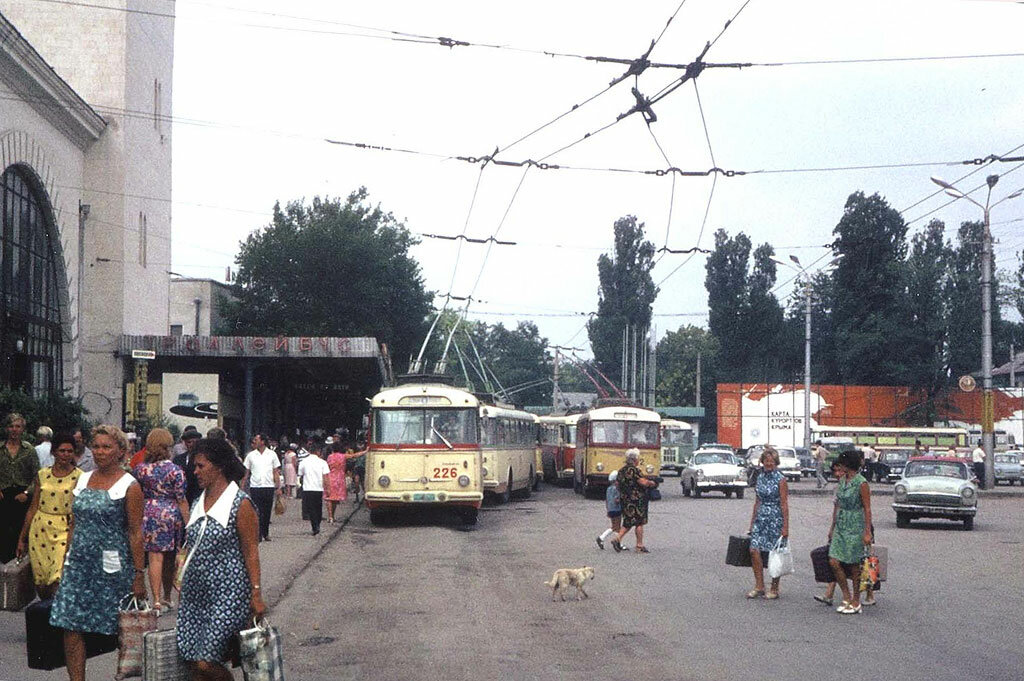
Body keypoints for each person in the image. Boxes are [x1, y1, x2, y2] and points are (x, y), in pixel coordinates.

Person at [50, 424, 146, 681]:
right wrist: (66, 559)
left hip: (113, 567)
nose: (100, 452)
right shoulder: (82, 479)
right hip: (80, 564)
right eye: (96, 446)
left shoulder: (130, 485)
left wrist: (139, 574)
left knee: (120, 629)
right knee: (69, 623)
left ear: (120, 451)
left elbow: (136, 532)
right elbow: (74, 523)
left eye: (107, 447)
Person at [177, 438, 266, 681]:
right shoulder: (198, 501)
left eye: (200, 466)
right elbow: (191, 543)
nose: (195, 472)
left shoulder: (240, 504)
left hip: (228, 594)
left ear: (219, 467)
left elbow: (251, 552)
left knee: (206, 661)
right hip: (195, 595)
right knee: (193, 662)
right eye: (194, 466)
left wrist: (256, 593)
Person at [17, 432, 81, 599]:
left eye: (69, 451)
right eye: (62, 451)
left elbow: (78, 510)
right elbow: (33, 507)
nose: (66, 455)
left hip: (64, 528)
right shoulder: (43, 474)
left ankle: (55, 618)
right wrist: (22, 538)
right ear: (53, 452)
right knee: (41, 579)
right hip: (41, 528)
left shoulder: (79, 476)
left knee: (57, 576)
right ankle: (44, 617)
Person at [133, 428, 189, 615]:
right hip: (170, 514)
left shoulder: (140, 470)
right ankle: (166, 596)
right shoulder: (175, 471)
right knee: (170, 558)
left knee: (154, 557)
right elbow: (181, 499)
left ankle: (155, 600)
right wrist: (189, 522)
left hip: (147, 512)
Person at [828, 449, 873, 614]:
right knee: (834, 560)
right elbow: (838, 504)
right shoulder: (842, 481)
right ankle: (846, 595)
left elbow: (867, 509)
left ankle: (856, 599)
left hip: (855, 523)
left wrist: (867, 532)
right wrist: (832, 527)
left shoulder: (861, 483)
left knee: (854, 564)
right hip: (841, 523)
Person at [747, 446, 790, 600]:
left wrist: (785, 526)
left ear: (776, 462)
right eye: (766, 461)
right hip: (761, 517)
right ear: (762, 462)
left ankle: (774, 587)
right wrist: (752, 524)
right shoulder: (760, 477)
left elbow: (784, 503)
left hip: (775, 518)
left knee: (775, 554)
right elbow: (757, 501)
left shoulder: (781, 479)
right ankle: (759, 585)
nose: (769, 464)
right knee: (754, 550)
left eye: (772, 461)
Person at [1, 412, 40, 562]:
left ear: (22, 429)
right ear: (6, 429)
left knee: (20, 531)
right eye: (11, 426)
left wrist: (26, 492)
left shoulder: (29, 450)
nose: (14, 430)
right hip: (3, 495)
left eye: (18, 426)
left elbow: (37, 475)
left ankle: (18, 562)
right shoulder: (0, 449)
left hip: (22, 496)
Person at [610, 449, 657, 554]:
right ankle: (639, 545)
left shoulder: (621, 471)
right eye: (638, 459)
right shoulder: (635, 471)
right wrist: (651, 483)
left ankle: (617, 538)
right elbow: (642, 482)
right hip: (637, 500)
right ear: (635, 460)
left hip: (625, 499)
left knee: (628, 521)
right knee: (639, 522)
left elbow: (617, 484)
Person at [242, 434, 281, 542]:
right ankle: (258, 534)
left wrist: (278, 487)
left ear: (262, 442)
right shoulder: (250, 456)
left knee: (267, 511)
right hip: (255, 486)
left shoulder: (272, 454)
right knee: (256, 511)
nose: (254, 441)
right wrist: (242, 487)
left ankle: (265, 532)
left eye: (256, 440)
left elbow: (275, 472)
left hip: (268, 486)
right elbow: (246, 473)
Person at [297, 446, 330, 535]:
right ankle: (317, 524)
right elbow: (326, 477)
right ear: (318, 452)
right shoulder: (323, 462)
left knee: (311, 508)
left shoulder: (304, 462)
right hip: (318, 488)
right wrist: (328, 488)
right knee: (318, 507)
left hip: (308, 488)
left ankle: (314, 526)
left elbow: (300, 474)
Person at [173, 429, 204, 507]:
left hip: (198, 496)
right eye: (189, 442)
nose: (192, 445)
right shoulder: (178, 459)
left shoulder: (204, 459)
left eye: (195, 442)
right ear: (185, 443)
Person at [595, 469, 621, 550]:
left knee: (615, 527)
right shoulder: (617, 489)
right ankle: (602, 537)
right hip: (617, 509)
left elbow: (607, 500)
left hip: (610, 509)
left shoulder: (608, 489)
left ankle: (617, 542)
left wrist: (608, 510)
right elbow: (617, 500)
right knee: (616, 527)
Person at [324, 443, 348, 522]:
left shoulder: (330, 457)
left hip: (331, 477)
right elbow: (354, 455)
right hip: (340, 478)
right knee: (335, 499)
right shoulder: (343, 456)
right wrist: (365, 451)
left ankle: (330, 516)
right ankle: (333, 516)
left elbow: (327, 466)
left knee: (329, 498)